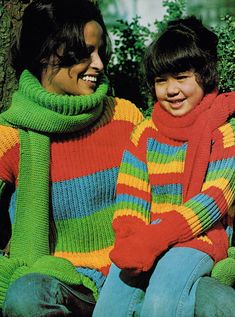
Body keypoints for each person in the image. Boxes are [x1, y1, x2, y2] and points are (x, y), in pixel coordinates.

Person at [0, 0, 143, 316]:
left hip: (134, 278)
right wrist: (9, 276)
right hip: (66, 286)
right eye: (84, 53)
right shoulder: (11, 135)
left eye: (100, 52)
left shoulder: (125, 116)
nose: (99, 65)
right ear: (46, 54)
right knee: (24, 297)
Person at [93, 16, 235, 317]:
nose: (171, 90)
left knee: (162, 294)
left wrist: (158, 236)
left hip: (200, 238)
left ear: (204, 75)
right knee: (112, 298)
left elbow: (213, 200)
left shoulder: (223, 133)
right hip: (147, 238)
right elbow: (131, 198)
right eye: (161, 80)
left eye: (181, 77)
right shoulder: (144, 133)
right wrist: (132, 239)